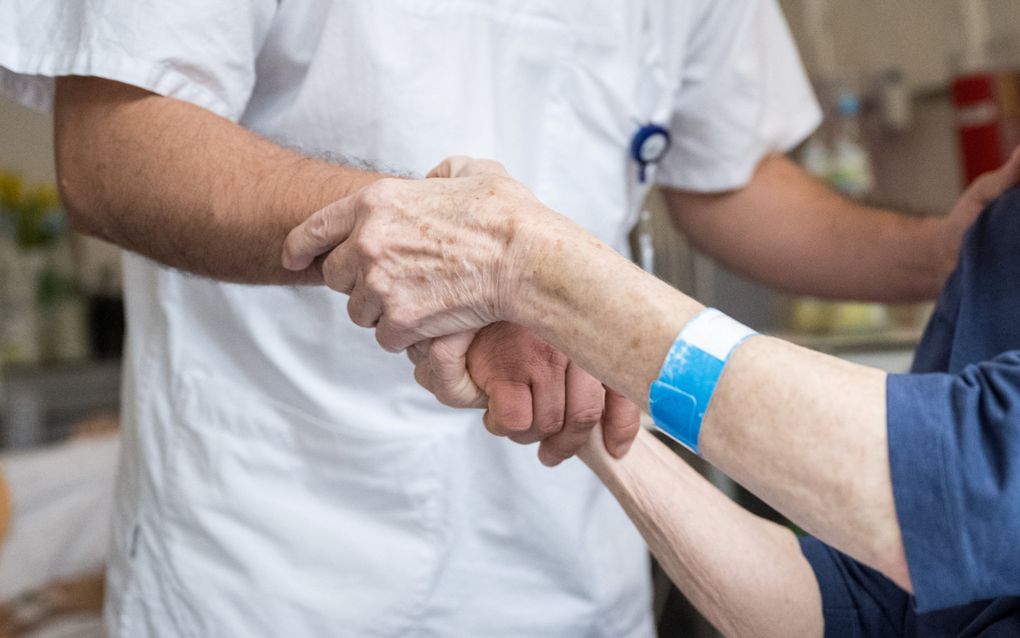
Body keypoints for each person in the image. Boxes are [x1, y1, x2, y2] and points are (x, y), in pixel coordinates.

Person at [0, 1, 1004, 635]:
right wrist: (454, 252)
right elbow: (115, 152)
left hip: (572, 529)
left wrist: (950, 246)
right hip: (279, 549)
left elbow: (728, 173)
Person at [282, 152, 1020, 636]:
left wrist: (532, 268)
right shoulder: (1002, 231)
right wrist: (593, 396)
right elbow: (870, 606)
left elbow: (967, 480)